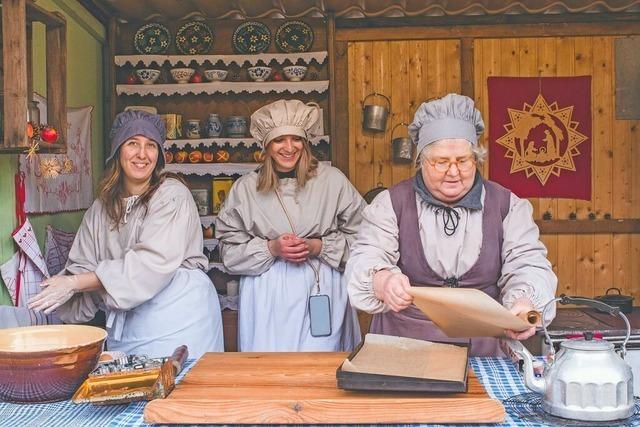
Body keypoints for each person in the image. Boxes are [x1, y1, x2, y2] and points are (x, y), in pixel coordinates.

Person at [345, 94, 557, 356]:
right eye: (441, 162)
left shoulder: (506, 205)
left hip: (483, 348)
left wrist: (525, 303)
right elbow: (367, 255)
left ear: (476, 159)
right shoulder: (391, 203)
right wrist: (383, 280)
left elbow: (527, 262)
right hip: (403, 346)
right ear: (422, 162)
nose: (454, 172)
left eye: (463, 161)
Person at [28, 110, 224, 358]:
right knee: (135, 390)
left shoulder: (172, 195)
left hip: (181, 316)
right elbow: (82, 265)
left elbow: (150, 264)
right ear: (118, 150)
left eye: (151, 146)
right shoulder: (101, 208)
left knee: (181, 388)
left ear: (159, 155)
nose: (142, 154)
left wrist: (75, 283)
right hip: (130, 326)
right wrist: (60, 287)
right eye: (133, 143)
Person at [215, 99, 365, 352]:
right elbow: (229, 251)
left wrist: (320, 247)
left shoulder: (332, 181)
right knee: (271, 367)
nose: (288, 148)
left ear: (305, 143)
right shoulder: (246, 189)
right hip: (267, 293)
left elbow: (364, 237)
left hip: (322, 287)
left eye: (296, 139)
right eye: (278, 140)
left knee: (321, 369)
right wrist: (271, 248)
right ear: (266, 146)